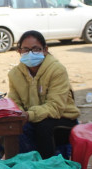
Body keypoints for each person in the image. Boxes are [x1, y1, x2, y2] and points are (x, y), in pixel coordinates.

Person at [7, 30, 80, 160]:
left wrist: (29, 115)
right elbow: (14, 101)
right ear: (19, 51)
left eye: (35, 49)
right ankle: (8, 167)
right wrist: (19, 114)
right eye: (25, 50)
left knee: (43, 127)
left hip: (62, 118)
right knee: (5, 127)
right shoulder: (14, 74)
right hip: (30, 117)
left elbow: (55, 107)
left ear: (45, 50)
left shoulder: (57, 70)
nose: (30, 54)